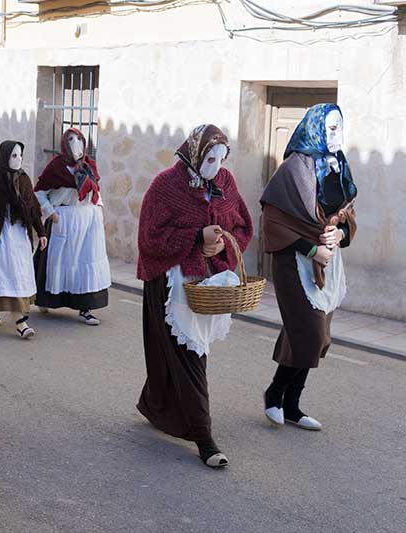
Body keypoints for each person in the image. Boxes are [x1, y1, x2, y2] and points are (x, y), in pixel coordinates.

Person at [136, 124, 253, 468]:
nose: (215, 166)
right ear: (194, 153)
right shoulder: (165, 185)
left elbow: (242, 226)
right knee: (189, 356)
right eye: (209, 158)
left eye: (221, 159)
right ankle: (204, 438)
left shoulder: (226, 183)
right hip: (170, 282)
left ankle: (155, 406)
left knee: (171, 356)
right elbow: (149, 238)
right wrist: (195, 238)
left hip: (207, 283)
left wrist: (220, 245)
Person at [261, 104, 357, 432]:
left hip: (328, 261)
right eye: (331, 129)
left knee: (312, 335)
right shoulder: (293, 168)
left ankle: (292, 405)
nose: (337, 135)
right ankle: (274, 394)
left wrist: (340, 232)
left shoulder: (338, 164)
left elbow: (347, 213)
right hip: (296, 261)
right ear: (315, 128)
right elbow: (273, 220)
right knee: (310, 333)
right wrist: (312, 249)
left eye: (340, 128)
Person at [33, 128, 110, 325]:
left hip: (87, 220)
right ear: (64, 143)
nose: (76, 143)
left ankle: (86, 307)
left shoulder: (88, 166)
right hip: (64, 219)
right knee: (57, 262)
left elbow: (95, 190)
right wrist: (51, 212)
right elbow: (40, 192)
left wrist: (99, 207)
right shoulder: (56, 168)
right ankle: (45, 298)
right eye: (71, 139)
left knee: (85, 261)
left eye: (79, 139)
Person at [0, 141, 47, 338]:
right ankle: (20, 322)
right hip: (0, 237)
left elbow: (32, 209)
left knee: (15, 274)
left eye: (20, 156)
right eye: (14, 156)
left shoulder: (24, 180)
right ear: (4, 157)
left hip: (19, 235)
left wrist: (41, 232)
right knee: (5, 273)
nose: (18, 160)